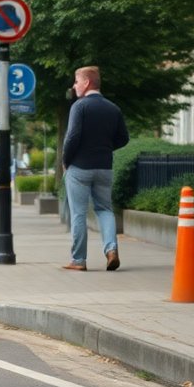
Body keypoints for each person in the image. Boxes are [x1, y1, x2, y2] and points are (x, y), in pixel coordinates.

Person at [61, 66, 129, 271]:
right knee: (105, 209)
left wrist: (66, 160)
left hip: (79, 168)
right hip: (104, 167)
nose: (74, 86)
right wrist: (105, 148)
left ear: (87, 83)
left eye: (76, 81)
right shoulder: (113, 108)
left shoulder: (79, 107)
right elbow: (123, 138)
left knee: (79, 214)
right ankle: (111, 251)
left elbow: (72, 137)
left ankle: (78, 260)